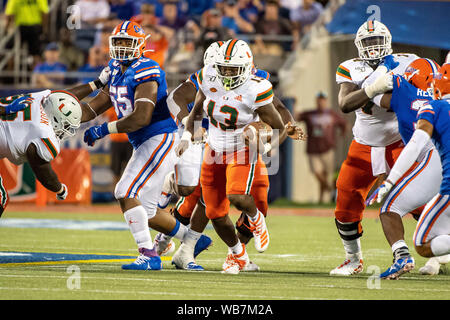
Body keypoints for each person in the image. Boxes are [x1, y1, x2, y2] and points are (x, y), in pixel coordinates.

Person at [155, 41, 305, 271]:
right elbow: (177, 101)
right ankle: (168, 239)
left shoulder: (255, 82)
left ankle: (234, 252)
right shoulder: (208, 76)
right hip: (207, 140)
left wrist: (285, 128)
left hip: (243, 143)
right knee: (195, 197)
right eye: (222, 68)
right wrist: (188, 130)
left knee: (252, 196)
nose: (227, 74)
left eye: (233, 69)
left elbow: (277, 109)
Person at [80, 20, 210, 271]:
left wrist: (103, 129)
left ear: (139, 45)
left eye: (127, 42)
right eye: (117, 42)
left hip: (159, 136)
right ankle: (193, 239)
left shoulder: (147, 68)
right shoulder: (115, 69)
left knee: (125, 191)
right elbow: (95, 106)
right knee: (147, 212)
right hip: (144, 140)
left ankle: (149, 255)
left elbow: (141, 117)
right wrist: (64, 119)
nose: (121, 47)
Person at [330, 20, 419, 276]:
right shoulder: (350, 67)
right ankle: (353, 258)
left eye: (377, 41)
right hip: (363, 147)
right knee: (345, 203)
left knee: (419, 200)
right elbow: (346, 104)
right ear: (359, 45)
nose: (372, 47)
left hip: (399, 143)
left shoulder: (406, 61)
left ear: (388, 42)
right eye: (367, 42)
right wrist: (373, 89)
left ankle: (437, 253)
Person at [365, 58, 445, 279]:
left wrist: (384, 67)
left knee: (390, 210)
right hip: (437, 158)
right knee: (437, 217)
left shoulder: (405, 90)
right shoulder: (439, 100)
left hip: (435, 158)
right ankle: (436, 259)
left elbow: (370, 90)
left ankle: (402, 257)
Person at [0, 70, 111, 217]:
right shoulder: (42, 133)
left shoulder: (42, 99)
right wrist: (59, 189)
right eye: (66, 126)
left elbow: (66, 98)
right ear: (57, 120)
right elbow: (42, 171)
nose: (66, 130)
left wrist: (97, 83)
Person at [296, 91, 347, 203]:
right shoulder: (310, 114)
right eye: (319, 100)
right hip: (313, 150)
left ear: (326, 101)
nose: (321, 102)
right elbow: (297, 117)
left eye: (323, 100)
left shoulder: (331, 114)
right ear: (316, 101)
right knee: (317, 172)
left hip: (328, 149)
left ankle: (322, 200)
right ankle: (329, 188)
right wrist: (295, 104)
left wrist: (340, 136)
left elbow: (343, 124)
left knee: (325, 174)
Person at [5, 0, 49, 66]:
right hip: (35, 27)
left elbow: (9, 14)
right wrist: (44, 29)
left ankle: (10, 73)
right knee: (36, 53)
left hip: (21, 28)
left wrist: (7, 29)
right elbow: (45, 13)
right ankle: (35, 73)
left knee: (10, 49)